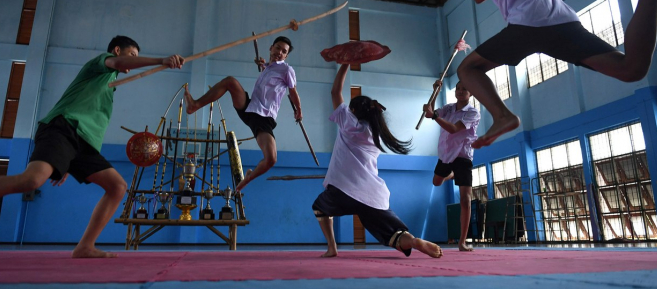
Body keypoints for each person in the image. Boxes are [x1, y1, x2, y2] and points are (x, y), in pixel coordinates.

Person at [448, 0, 657, 149]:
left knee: (467, 68)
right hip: (555, 23)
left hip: (529, 23)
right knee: (631, 69)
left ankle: (503, 116)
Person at [0, 35, 184, 258]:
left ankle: (85, 246)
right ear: (117, 50)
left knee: (117, 187)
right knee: (32, 180)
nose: (133, 61)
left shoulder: (109, 85)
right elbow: (118, 63)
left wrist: (67, 162)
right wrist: (161, 60)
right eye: (132, 55)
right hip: (63, 127)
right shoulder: (102, 63)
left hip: (83, 144)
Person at [312, 63, 442, 259]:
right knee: (394, 235)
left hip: (343, 190)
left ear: (353, 110)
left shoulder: (349, 124)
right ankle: (414, 241)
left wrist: (346, 63)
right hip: (374, 196)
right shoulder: (375, 134)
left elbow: (335, 91)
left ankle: (332, 248)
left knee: (319, 207)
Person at [184, 36, 302, 191]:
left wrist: (299, 110)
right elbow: (267, 69)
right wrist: (262, 64)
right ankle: (194, 105)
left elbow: (293, 92)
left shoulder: (287, 70)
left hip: (263, 118)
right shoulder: (268, 67)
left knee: (271, 159)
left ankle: (248, 178)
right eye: (278, 48)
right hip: (249, 108)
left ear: (286, 56)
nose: (279, 52)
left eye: (284, 51)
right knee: (230, 82)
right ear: (271, 48)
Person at [423, 80, 480, 251]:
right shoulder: (448, 108)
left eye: (465, 89)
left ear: (471, 94)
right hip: (445, 154)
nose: (461, 91)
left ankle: (462, 242)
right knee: (436, 182)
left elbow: (455, 129)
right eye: (458, 89)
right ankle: (452, 175)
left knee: (465, 200)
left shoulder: (473, 113)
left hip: (462, 155)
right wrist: (435, 92)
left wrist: (434, 116)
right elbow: (430, 113)